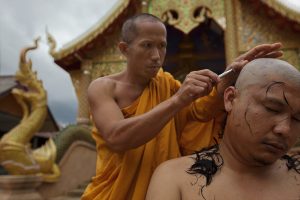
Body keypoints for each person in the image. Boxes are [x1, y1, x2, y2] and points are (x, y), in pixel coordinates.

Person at [81, 12, 282, 200]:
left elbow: (197, 112)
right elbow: (117, 137)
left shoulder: (166, 84)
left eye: (162, 46)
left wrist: (224, 83)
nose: (156, 56)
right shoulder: (103, 88)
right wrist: (179, 99)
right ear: (125, 49)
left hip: (162, 190)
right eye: (147, 45)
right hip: (115, 193)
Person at [146, 58, 300, 200]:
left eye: (298, 118)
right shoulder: (175, 178)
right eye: (272, 108)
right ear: (230, 99)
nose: (285, 129)